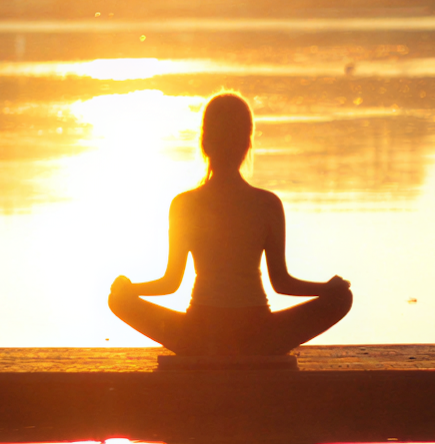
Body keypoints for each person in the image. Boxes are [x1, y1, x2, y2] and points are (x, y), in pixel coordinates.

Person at [108, 92, 352, 358]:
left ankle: (209, 351)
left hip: (198, 336)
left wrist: (128, 289)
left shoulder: (184, 204)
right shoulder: (267, 203)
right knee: (343, 299)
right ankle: (250, 351)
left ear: (204, 143)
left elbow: (170, 283)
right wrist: (328, 290)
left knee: (117, 301)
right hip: (259, 336)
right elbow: (281, 283)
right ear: (247, 144)